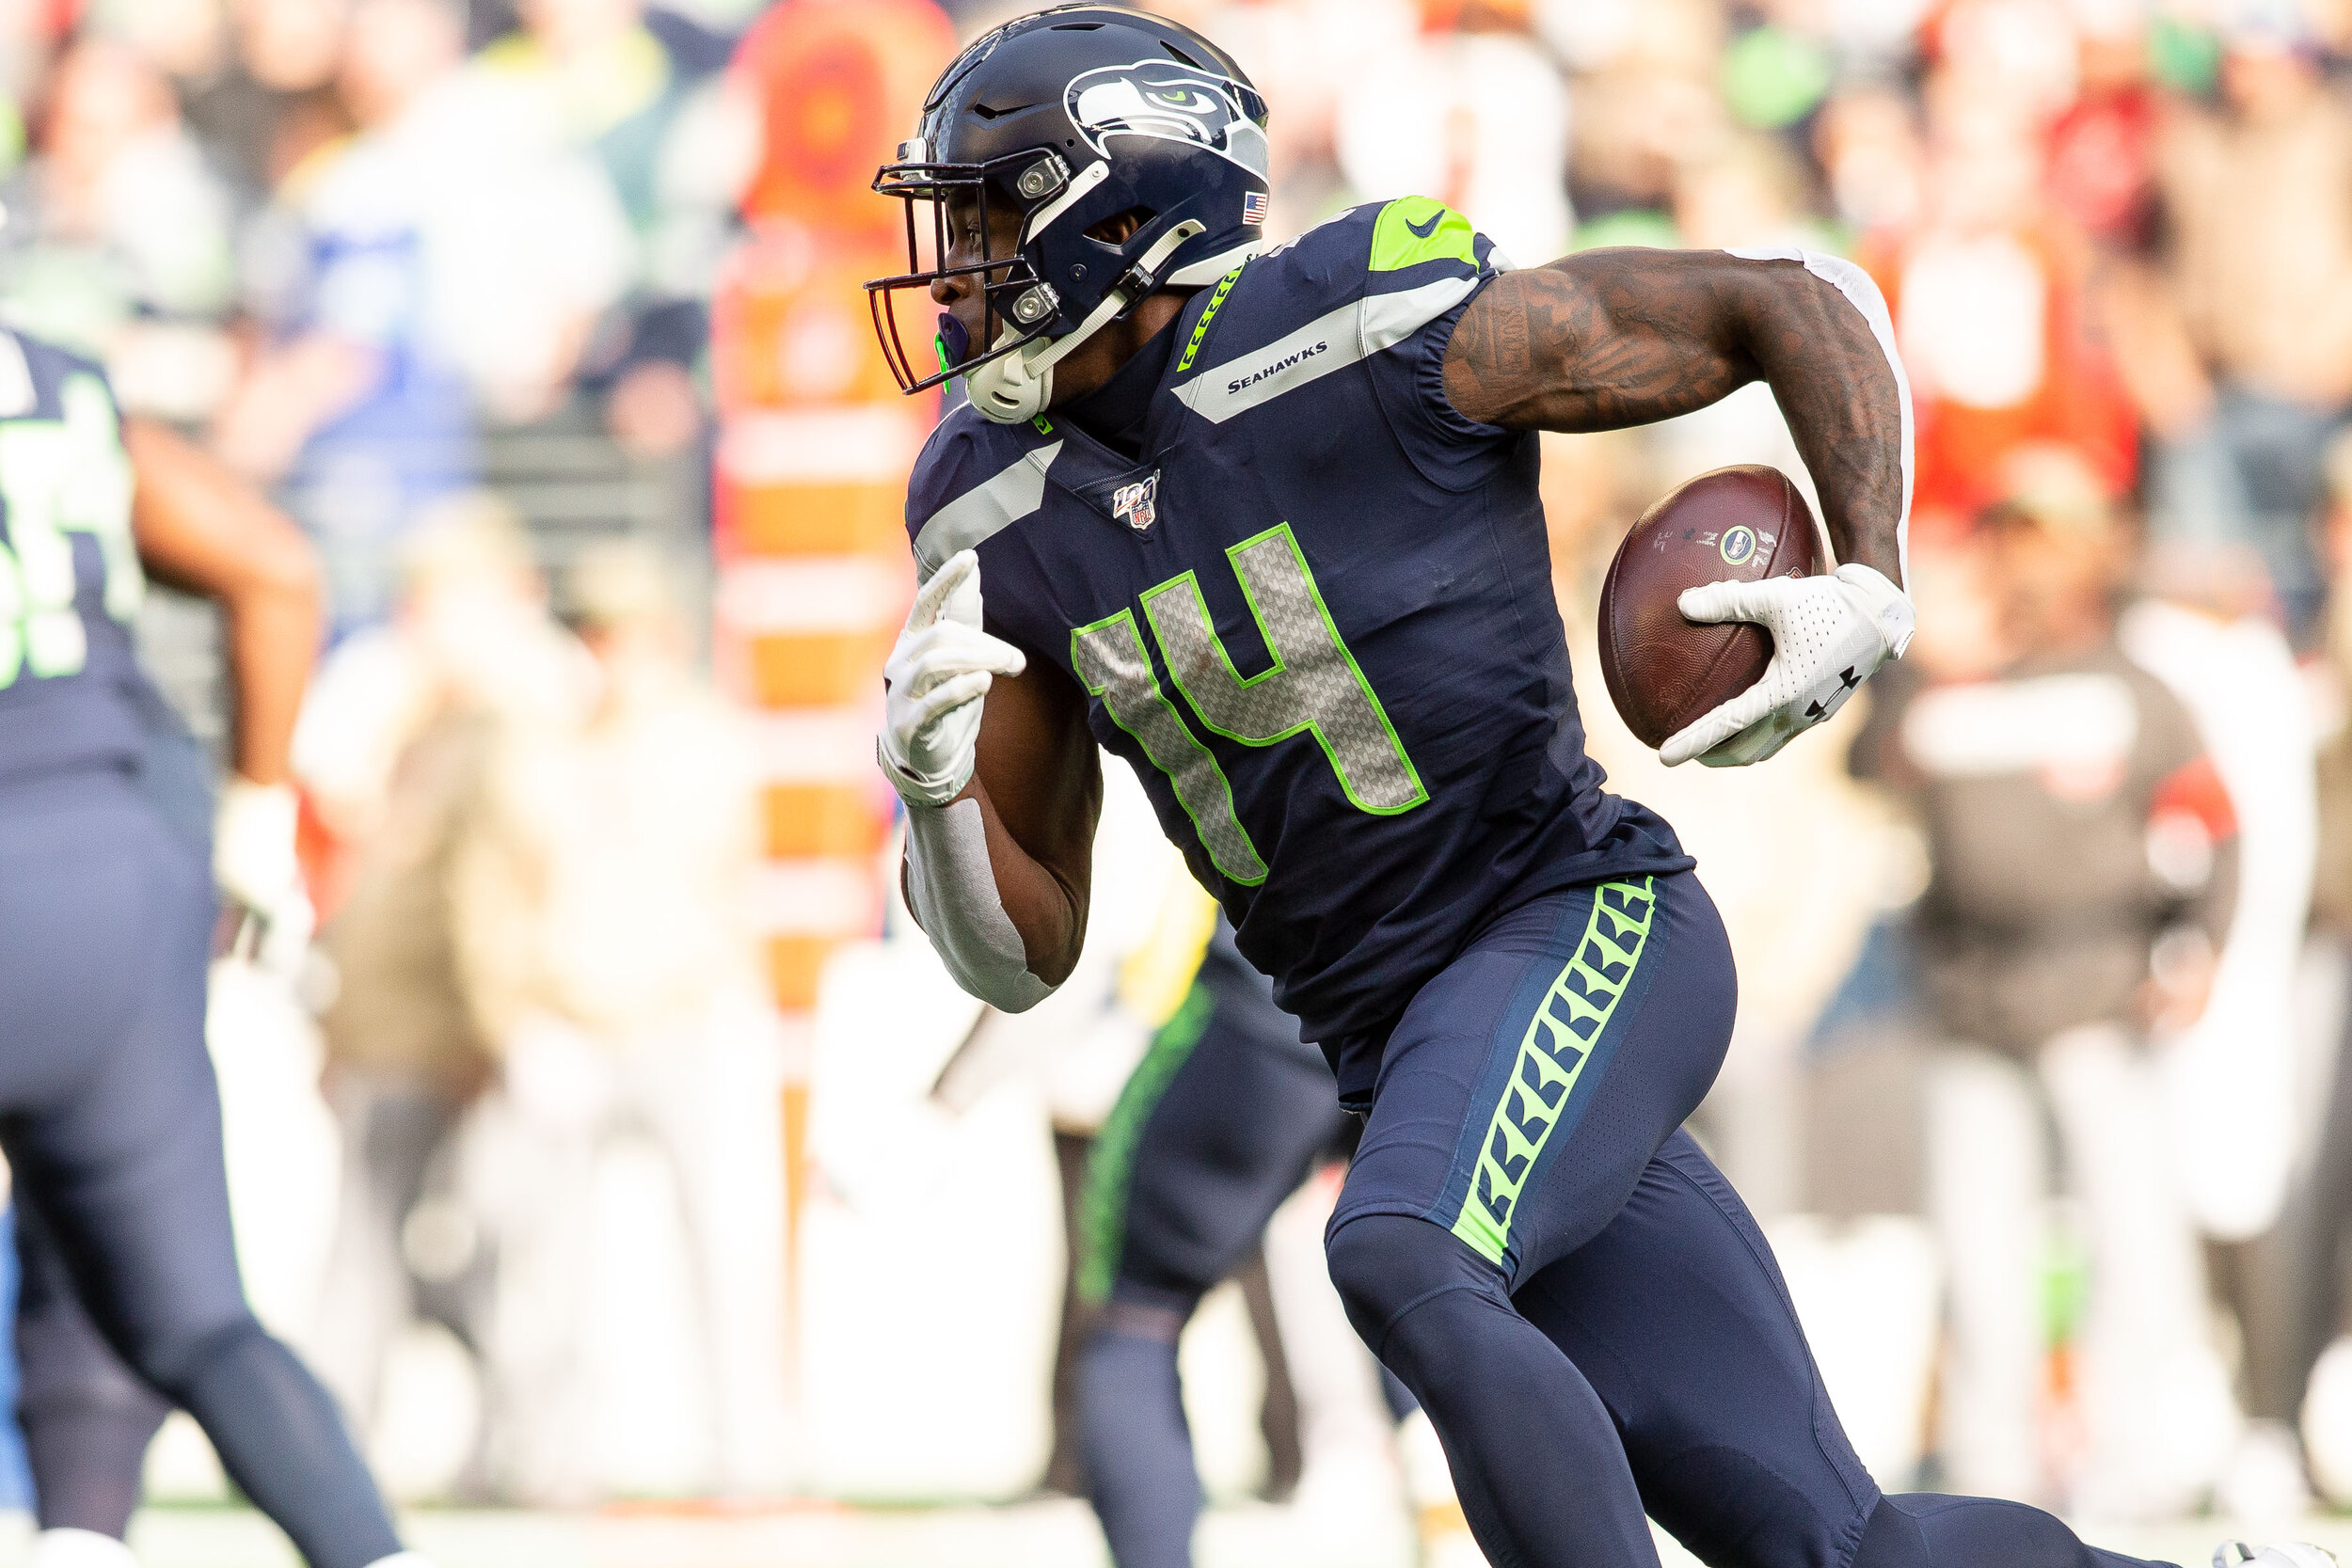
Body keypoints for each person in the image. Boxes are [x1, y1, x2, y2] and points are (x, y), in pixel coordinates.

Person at [863, 10, 2325, 1568]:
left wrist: (1871, 579)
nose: (955, 264)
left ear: (1127, 206)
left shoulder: (1356, 323)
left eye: (993, 213)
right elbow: (1021, 956)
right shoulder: (986, 503)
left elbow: (1790, 300)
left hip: (1578, 924)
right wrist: (941, 806)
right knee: (1835, 1545)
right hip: (1393, 1034)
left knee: (1404, 1250)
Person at [0, 313, 429, 1568]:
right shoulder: (51, 378)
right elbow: (275, 566)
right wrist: (256, 813)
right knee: (195, 1315)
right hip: (122, 865)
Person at [1078, 901, 1470, 1568]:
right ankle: (1456, 1500)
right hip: (1445, 998)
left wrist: (944, 1102)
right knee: (1425, 1290)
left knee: (1133, 1317)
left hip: (1270, 1007)